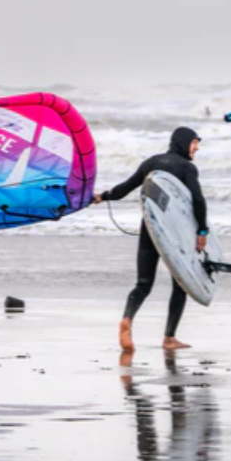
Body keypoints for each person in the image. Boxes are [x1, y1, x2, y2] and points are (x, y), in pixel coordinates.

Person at [93, 127, 208, 352]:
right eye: (194, 143)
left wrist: (102, 196)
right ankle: (169, 338)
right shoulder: (187, 168)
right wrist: (202, 232)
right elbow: (198, 201)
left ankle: (127, 319)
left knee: (143, 283)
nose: (197, 148)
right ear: (183, 142)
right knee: (180, 283)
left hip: (150, 228)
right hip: (175, 233)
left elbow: (123, 190)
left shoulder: (152, 162)